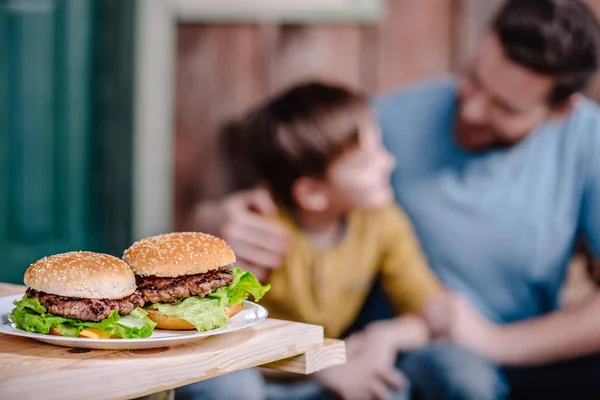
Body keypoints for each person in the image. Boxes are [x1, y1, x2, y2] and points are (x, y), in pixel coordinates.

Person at [189, 0, 600, 398]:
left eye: (505, 108)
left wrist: (494, 342)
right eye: (473, 78)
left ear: (561, 111)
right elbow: (285, 181)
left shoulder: (587, 141)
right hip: (394, 350)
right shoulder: (387, 119)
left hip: (512, 344)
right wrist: (214, 221)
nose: (472, 110)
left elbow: (428, 299)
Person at [178, 82, 446, 400]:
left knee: (389, 390)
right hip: (261, 374)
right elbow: (224, 335)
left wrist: (384, 337)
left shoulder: (382, 221)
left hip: (322, 378)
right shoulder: (262, 230)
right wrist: (321, 366)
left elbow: (424, 312)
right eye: (364, 162)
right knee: (232, 388)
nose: (388, 163)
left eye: (380, 148)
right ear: (312, 194)